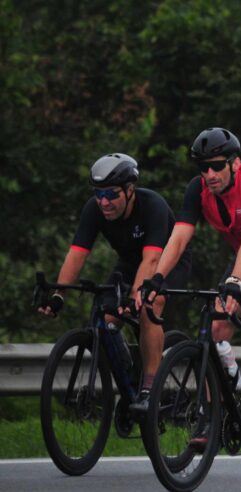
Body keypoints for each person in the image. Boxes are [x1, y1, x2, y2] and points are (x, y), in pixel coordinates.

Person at [138, 127, 241, 433]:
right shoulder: (197, 190)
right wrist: (156, 278)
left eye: (217, 166)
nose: (210, 174)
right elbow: (178, 238)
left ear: (235, 163)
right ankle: (212, 412)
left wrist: (236, 280)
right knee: (213, 327)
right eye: (203, 168)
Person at [38, 153, 191, 411]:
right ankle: (130, 373)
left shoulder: (152, 205)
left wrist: (135, 298)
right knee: (104, 322)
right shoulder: (94, 209)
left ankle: (149, 389)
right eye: (99, 194)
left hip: (165, 264)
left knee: (148, 306)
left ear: (130, 190)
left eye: (111, 194)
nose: (104, 202)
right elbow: (76, 255)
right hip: (130, 265)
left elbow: (152, 259)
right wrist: (58, 294)